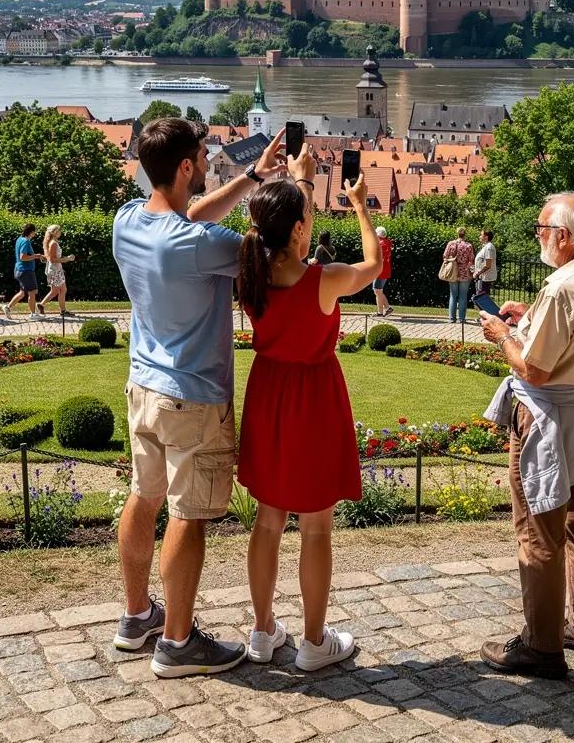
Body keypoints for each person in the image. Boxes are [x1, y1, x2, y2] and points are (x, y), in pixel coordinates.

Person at [111, 118, 286, 678]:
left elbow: (184, 216)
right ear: (186, 167)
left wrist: (252, 177)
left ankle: (138, 616)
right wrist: (292, 189)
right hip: (194, 397)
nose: (210, 163)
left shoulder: (128, 222)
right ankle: (179, 643)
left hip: (144, 389)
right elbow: (275, 259)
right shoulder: (202, 245)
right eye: (204, 158)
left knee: (144, 498)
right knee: (188, 516)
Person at [237, 155, 381, 672]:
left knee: (269, 520)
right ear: (299, 228)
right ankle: (314, 642)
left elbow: (283, 226)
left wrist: (302, 181)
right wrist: (361, 206)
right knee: (316, 526)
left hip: (268, 394)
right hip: (314, 399)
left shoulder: (248, 271)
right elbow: (373, 266)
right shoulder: (323, 280)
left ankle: (261, 631)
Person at [477, 193, 574, 678]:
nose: (538, 236)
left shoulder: (563, 290)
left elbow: (536, 371)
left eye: (542, 229)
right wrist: (530, 318)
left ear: (563, 237)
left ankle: (541, 647)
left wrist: (502, 333)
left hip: (553, 418)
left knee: (539, 532)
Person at [3, 223, 43, 318]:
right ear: (32, 232)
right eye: (34, 233)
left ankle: (8, 307)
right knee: (32, 292)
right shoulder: (26, 241)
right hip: (26, 270)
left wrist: (36, 256)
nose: (34, 235)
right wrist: (36, 256)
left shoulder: (19, 240)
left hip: (19, 270)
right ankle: (33, 313)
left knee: (22, 292)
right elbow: (23, 257)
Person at [38, 225, 76, 317]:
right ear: (55, 232)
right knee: (58, 290)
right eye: (59, 231)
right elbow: (52, 259)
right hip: (55, 269)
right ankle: (43, 305)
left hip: (56, 269)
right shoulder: (53, 243)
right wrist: (66, 259)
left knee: (60, 290)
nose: (60, 232)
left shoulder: (53, 242)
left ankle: (59, 309)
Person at [443, 226, 475, 323]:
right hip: (464, 272)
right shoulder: (468, 246)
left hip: (453, 271)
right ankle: (461, 318)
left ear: (457, 233)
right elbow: (471, 260)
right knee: (463, 296)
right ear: (465, 234)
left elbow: (445, 256)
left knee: (453, 295)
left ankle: (452, 318)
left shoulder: (451, 244)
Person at [373, 226, 394, 316]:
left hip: (380, 271)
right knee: (379, 291)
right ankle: (388, 308)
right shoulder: (388, 243)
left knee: (377, 291)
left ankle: (380, 312)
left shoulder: (381, 245)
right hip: (385, 270)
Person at [474, 229, 498, 296]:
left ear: (486, 237)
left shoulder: (489, 247)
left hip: (485, 278)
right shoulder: (486, 246)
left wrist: (478, 273)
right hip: (482, 277)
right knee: (481, 297)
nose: (479, 237)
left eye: (481, 235)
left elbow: (488, 265)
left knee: (482, 298)